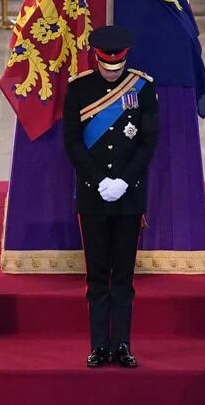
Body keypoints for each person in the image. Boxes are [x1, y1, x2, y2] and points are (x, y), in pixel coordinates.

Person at [62, 26, 159, 368]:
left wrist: (124, 180)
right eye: (106, 65)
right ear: (96, 57)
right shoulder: (79, 88)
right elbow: (72, 141)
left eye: (117, 66)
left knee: (123, 277)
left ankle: (122, 345)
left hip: (129, 195)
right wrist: (99, 179)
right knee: (96, 275)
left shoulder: (142, 87)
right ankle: (98, 346)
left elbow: (148, 141)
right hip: (93, 194)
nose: (111, 71)